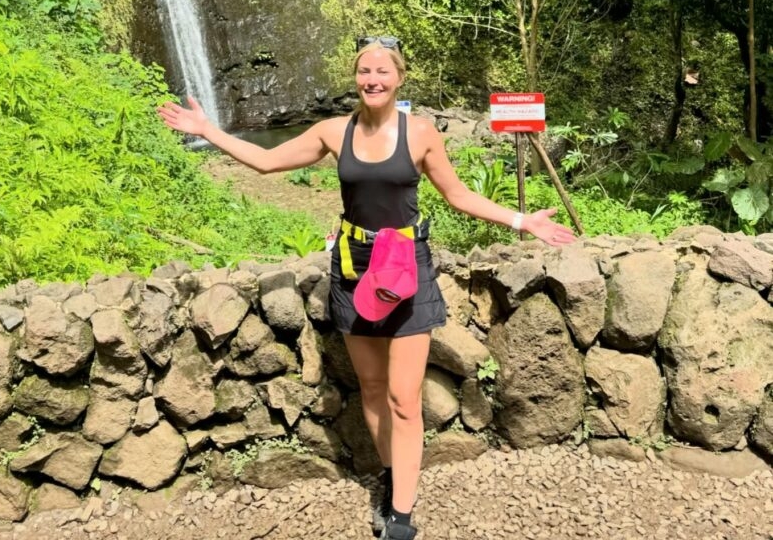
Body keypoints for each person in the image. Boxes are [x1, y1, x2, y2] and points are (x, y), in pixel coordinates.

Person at [157, 36, 575, 540]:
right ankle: (396, 474)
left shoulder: (419, 134)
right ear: (356, 78)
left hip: (407, 267)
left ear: (398, 77)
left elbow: (458, 194)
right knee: (373, 391)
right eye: (364, 71)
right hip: (354, 267)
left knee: (403, 397)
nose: (372, 79)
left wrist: (522, 220)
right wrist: (208, 130)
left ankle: (401, 515)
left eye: (382, 71)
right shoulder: (335, 130)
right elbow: (267, 162)